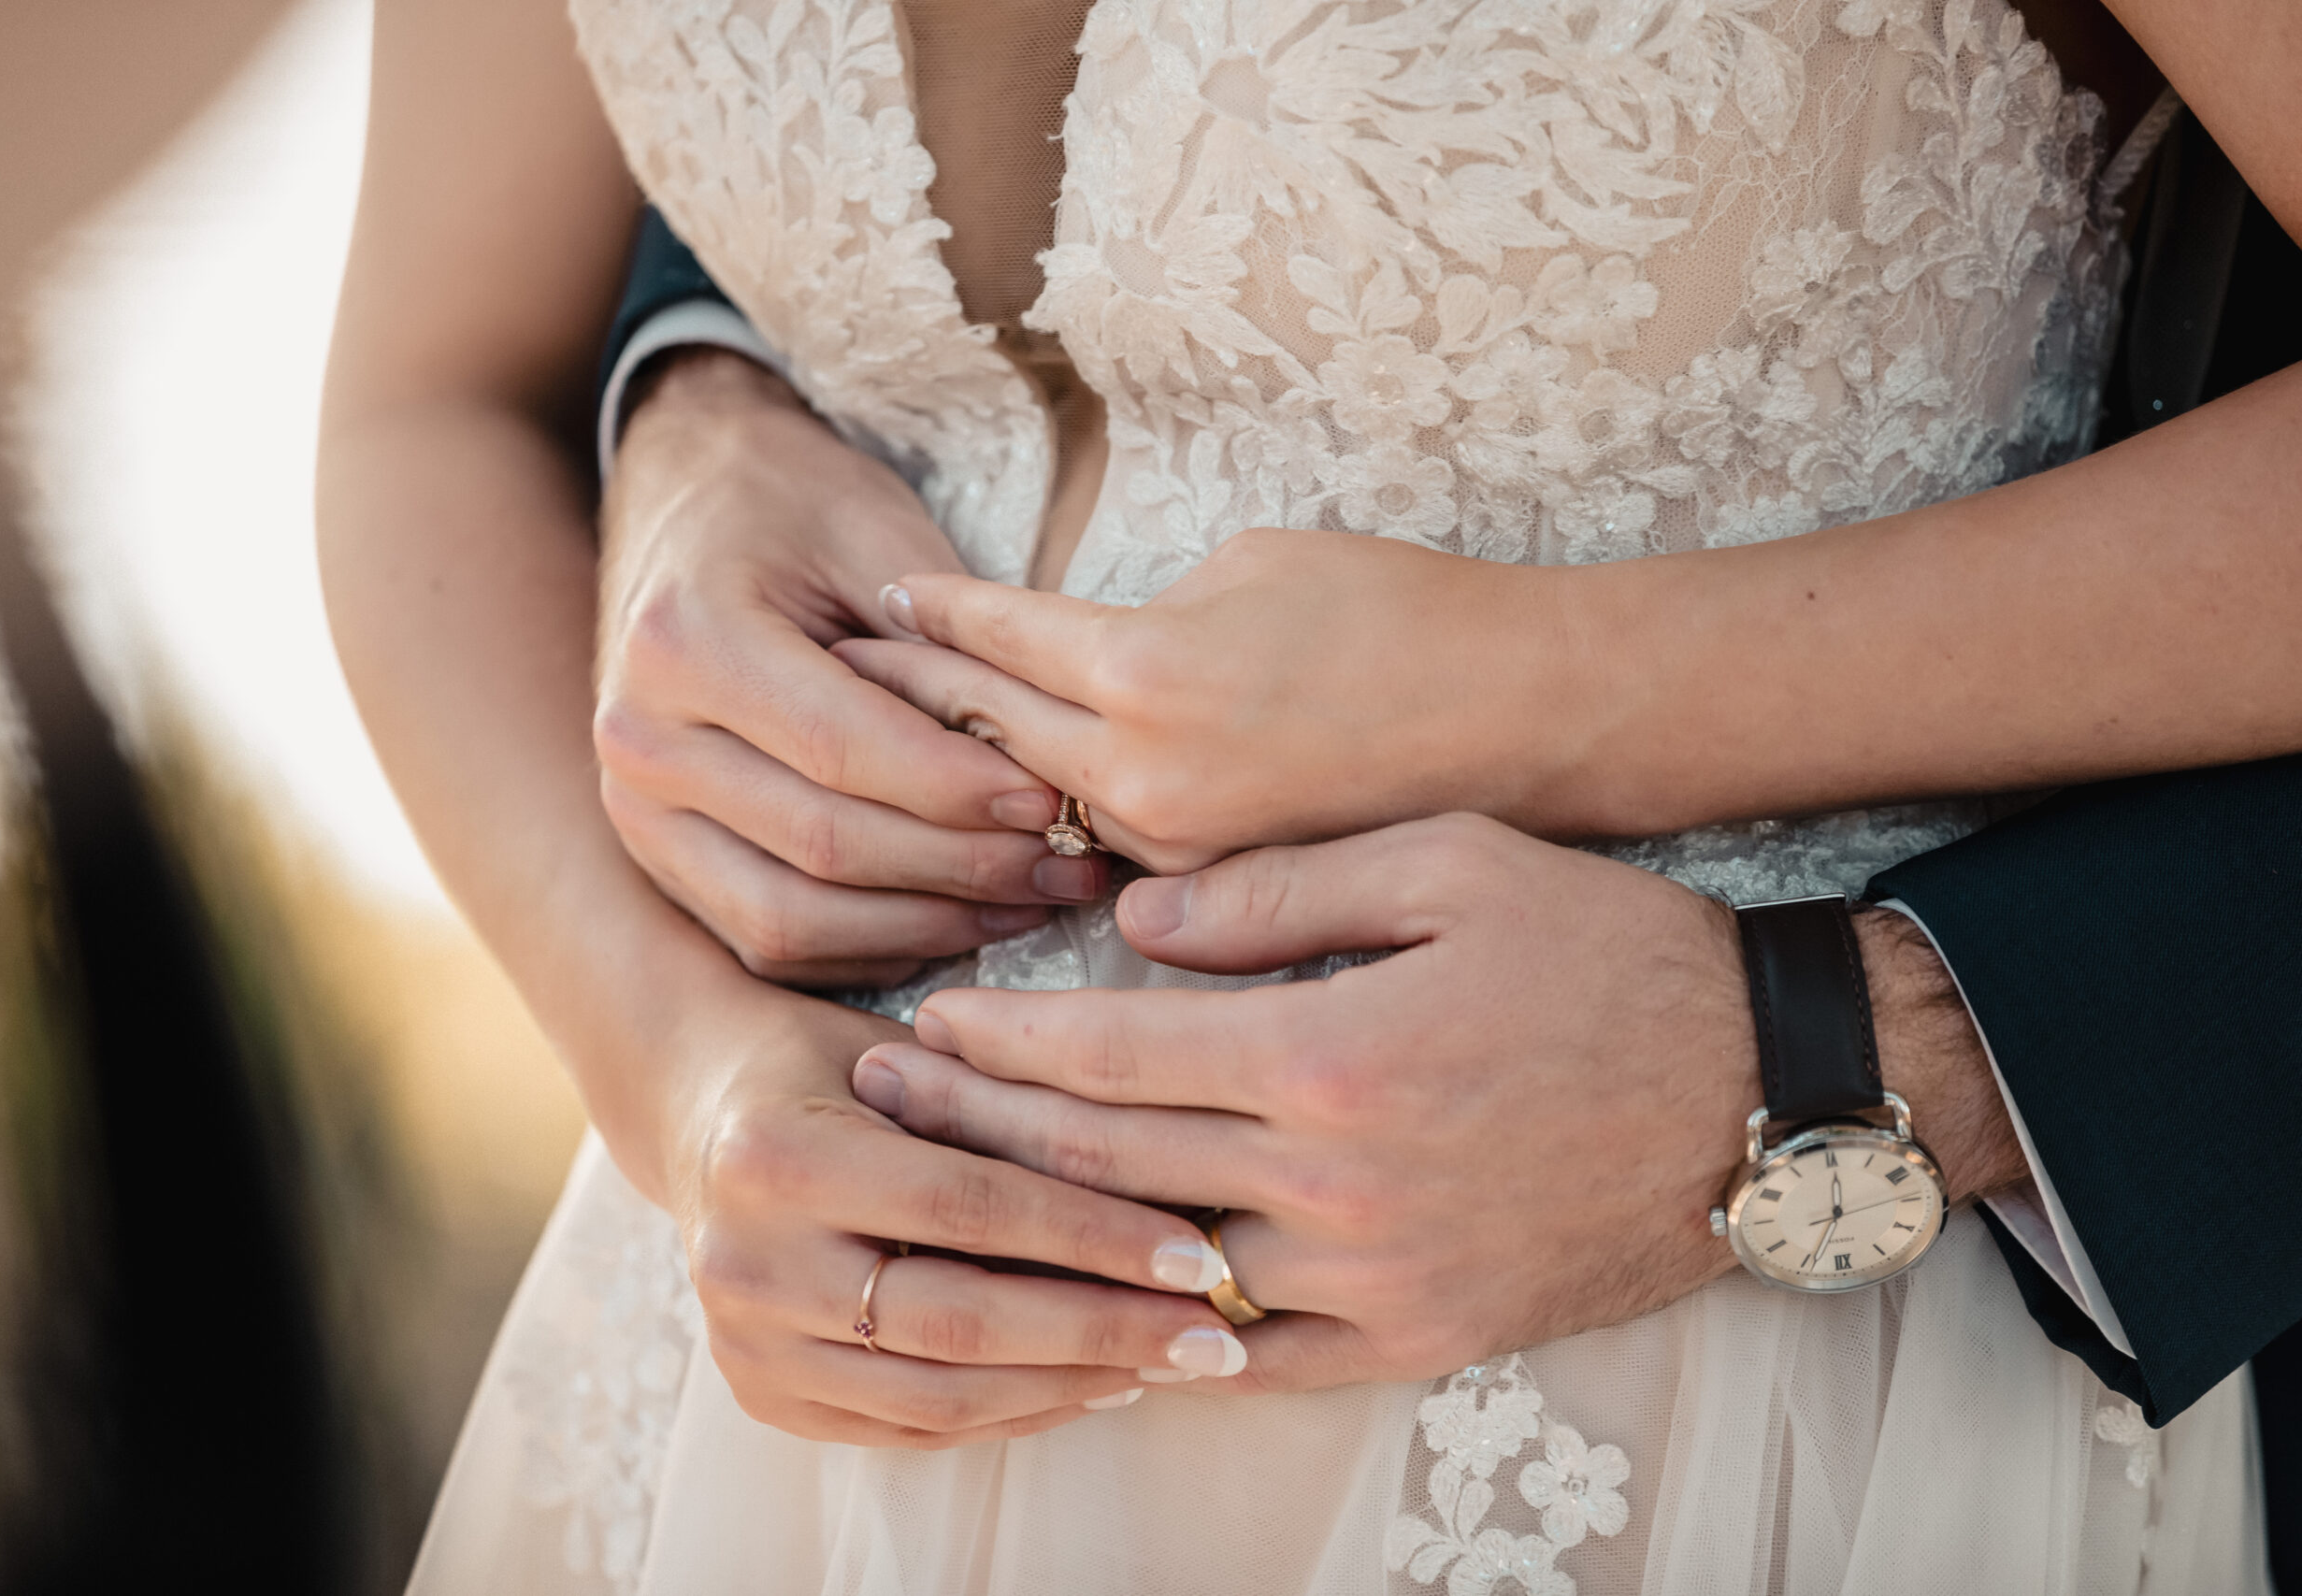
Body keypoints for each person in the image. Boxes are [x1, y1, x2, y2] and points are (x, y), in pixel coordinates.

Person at [315, 0, 2301, 1589]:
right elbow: (437, 391)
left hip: (1704, 1380)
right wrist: (685, 1080)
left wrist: (1558, 699)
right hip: (782, 1392)